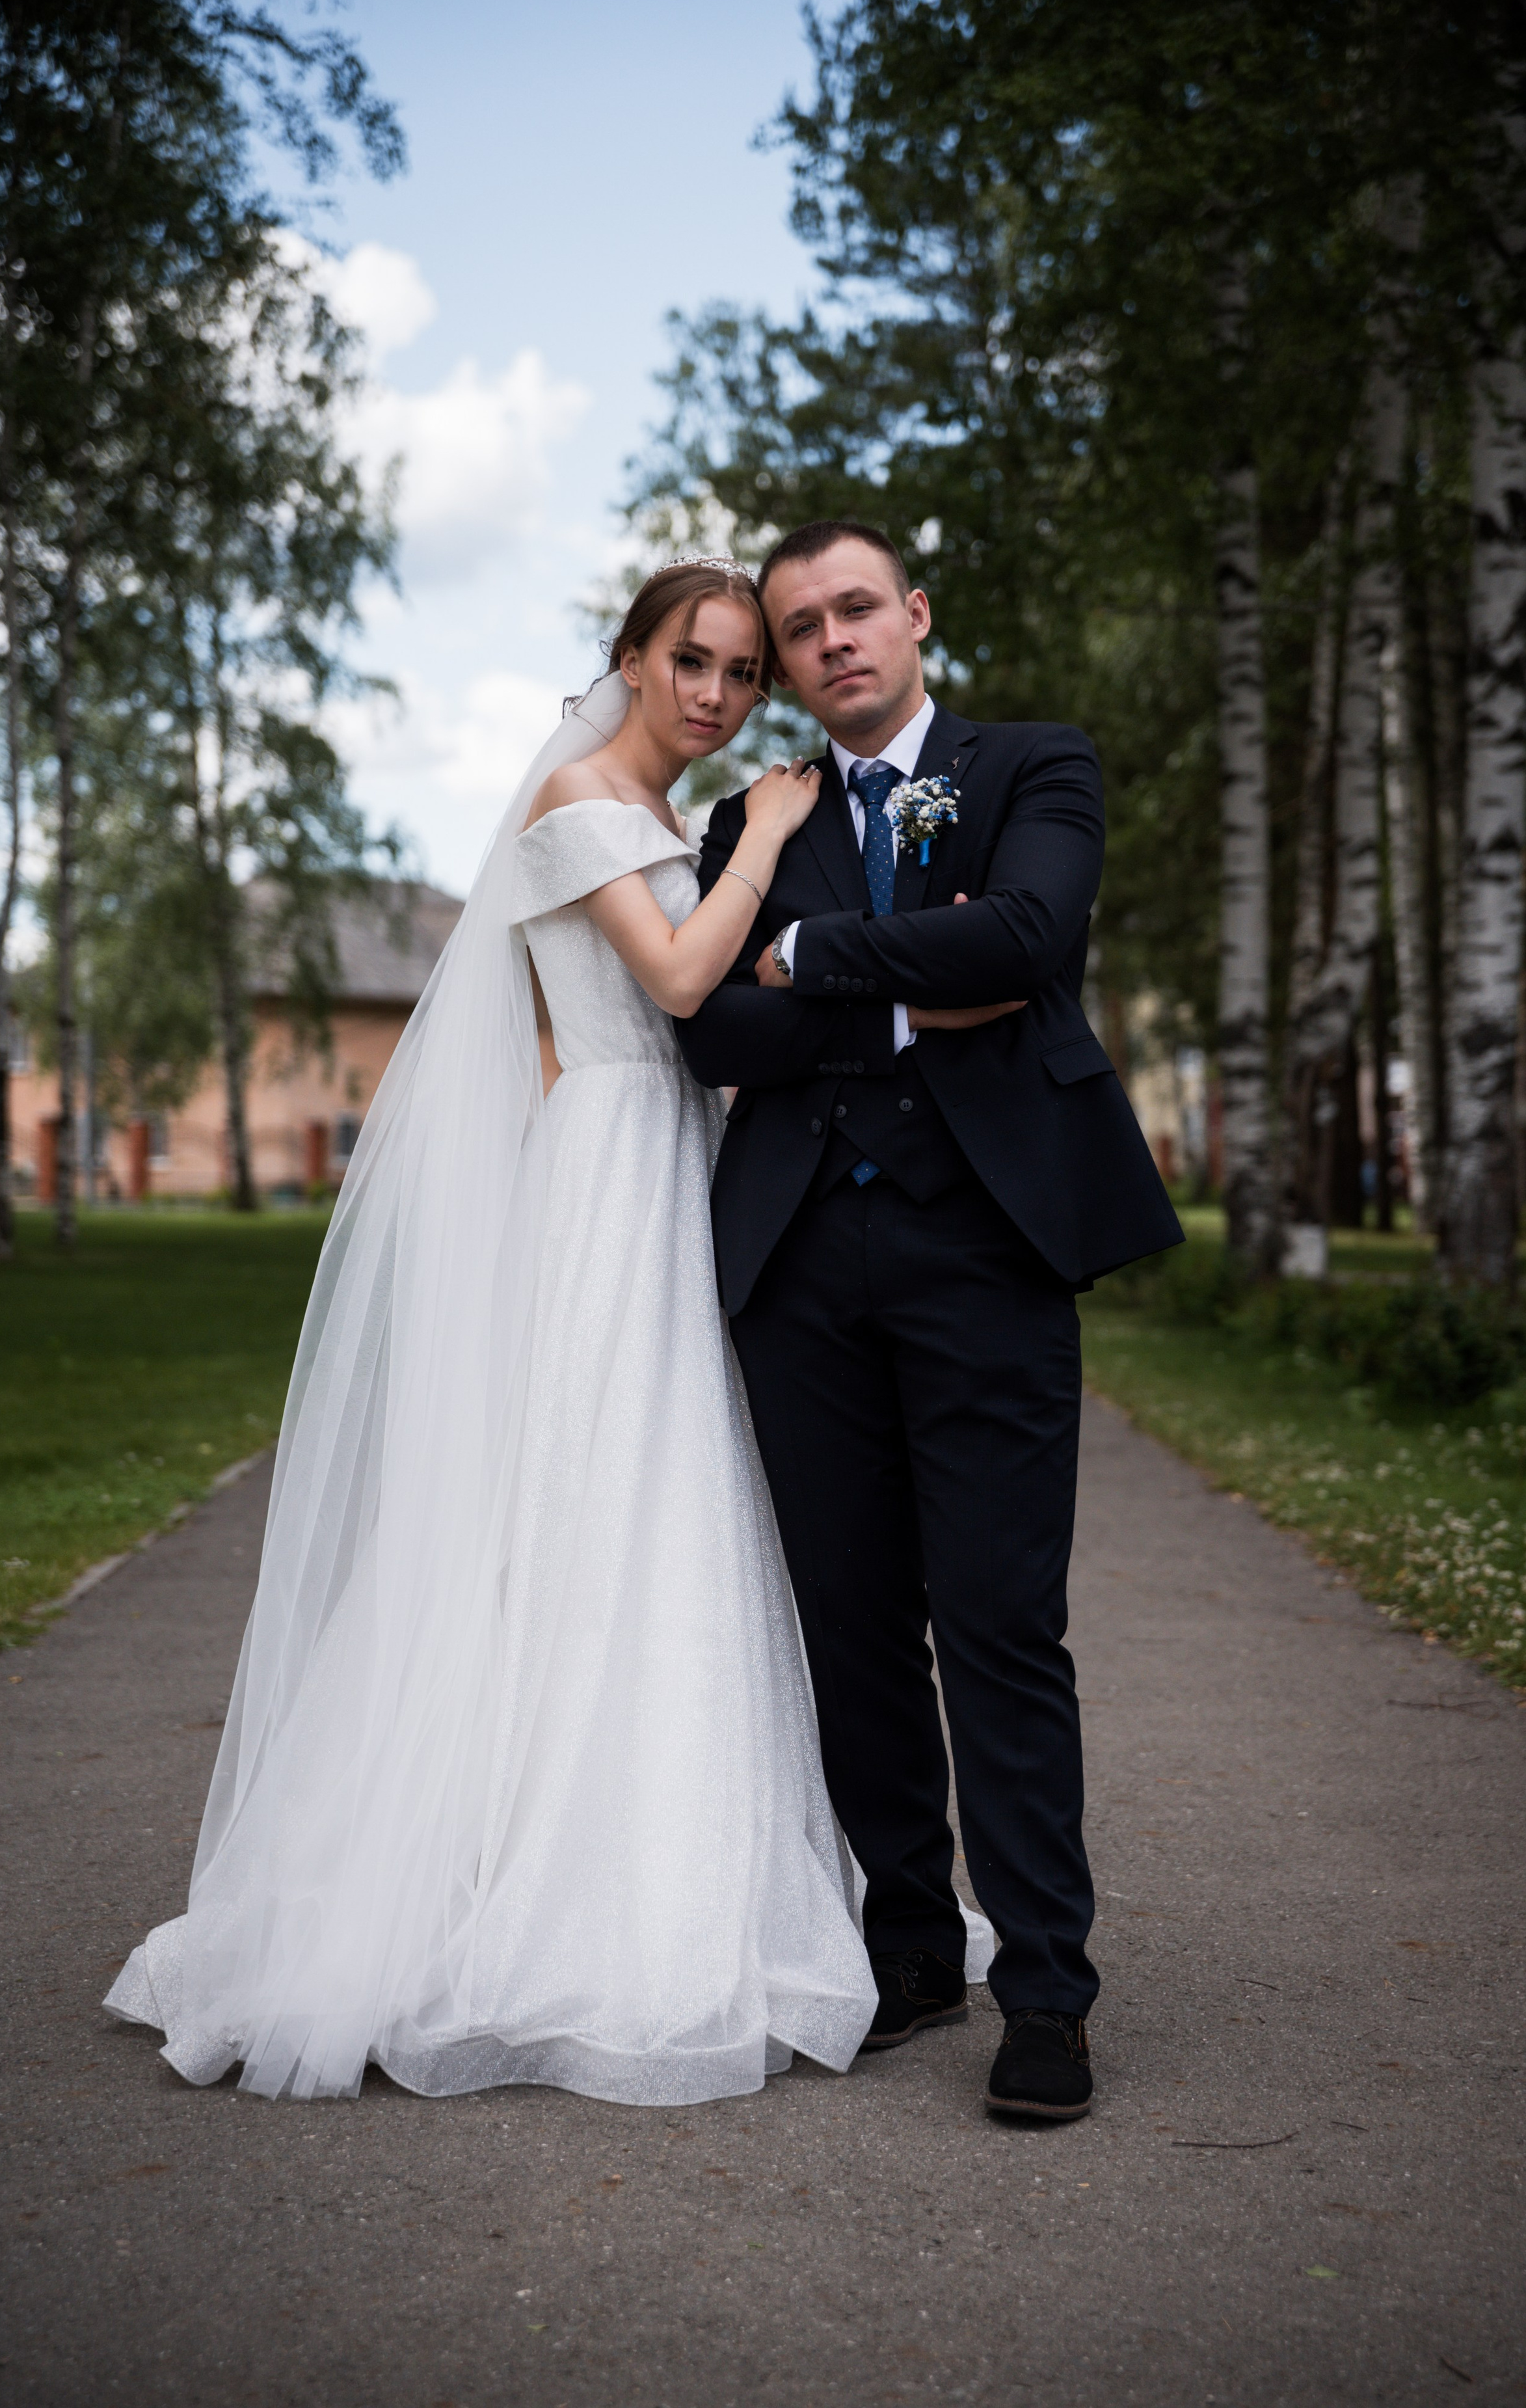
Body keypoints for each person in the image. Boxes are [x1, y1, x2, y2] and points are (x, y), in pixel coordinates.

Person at [107, 559, 971, 2105]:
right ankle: (524, 1880)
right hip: (606, 1177)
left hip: (668, 1165)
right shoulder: (582, 804)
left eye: (735, 675)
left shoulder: (660, 823)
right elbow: (681, 978)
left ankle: (678, 1850)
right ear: (629, 660)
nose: (714, 695)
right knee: (582, 1492)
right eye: (687, 662)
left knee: (674, 1509)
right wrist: (770, 836)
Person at [676, 522, 1183, 2122]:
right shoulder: (755, 817)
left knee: (997, 1628)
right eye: (795, 627)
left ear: (912, 616)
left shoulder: (1034, 764)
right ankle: (907, 1949)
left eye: (851, 611)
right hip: (799, 1265)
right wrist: (906, 982)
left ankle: (1045, 1989)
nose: (828, 642)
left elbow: (1029, 941)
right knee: (851, 1625)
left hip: (989, 1255)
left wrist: (821, 955)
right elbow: (710, 1030)